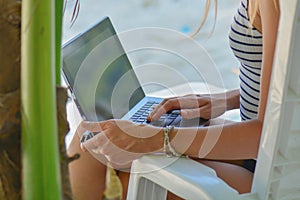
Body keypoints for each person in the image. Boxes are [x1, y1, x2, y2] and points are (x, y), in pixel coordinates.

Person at [67, 0, 280, 199]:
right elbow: (287, 91)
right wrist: (229, 99)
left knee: (108, 174)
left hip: (273, 173)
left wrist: (156, 139)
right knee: (92, 137)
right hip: (263, 153)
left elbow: (265, 135)